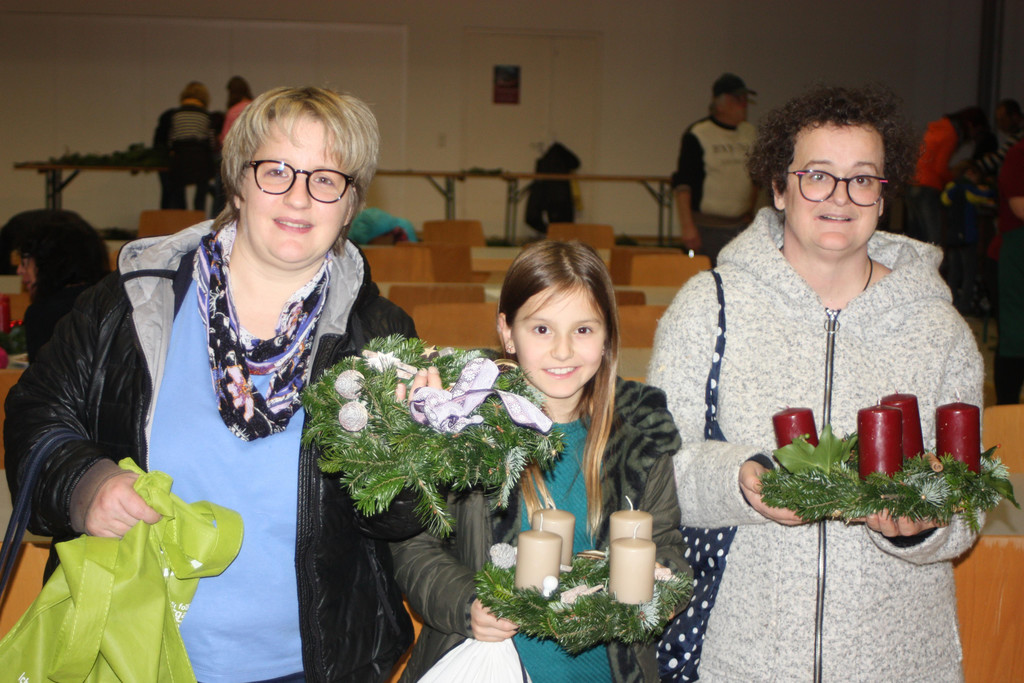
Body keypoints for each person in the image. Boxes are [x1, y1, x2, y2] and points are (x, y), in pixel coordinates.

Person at [5, 86, 420, 682]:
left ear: (350, 202)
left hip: (309, 667)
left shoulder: (379, 333)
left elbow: (398, 522)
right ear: (238, 182)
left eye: (326, 179)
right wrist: (84, 482)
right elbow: (35, 414)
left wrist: (408, 449)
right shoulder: (133, 301)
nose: (299, 196)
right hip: (131, 655)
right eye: (276, 171)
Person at [651, 85, 983, 681]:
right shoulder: (708, 307)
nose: (840, 196)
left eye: (863, 179)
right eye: (817, 176)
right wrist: (737, 480)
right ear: (780, 188)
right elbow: (657, 470)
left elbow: (967, 505)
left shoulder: (939, 329)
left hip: (898, 660)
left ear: (883, 197)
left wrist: (924, 525)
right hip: (745, 658)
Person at [391, 240, 688, 682]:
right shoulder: (464, 429)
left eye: (583, 330)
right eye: (542, 329)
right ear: (508, 331)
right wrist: (467, 604)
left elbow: (666, 544)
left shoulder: (641, 441)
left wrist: (663, 582)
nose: (563, 351)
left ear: (607, 335)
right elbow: (413, 548)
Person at [671, 73, 758, 265]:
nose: (744, 105)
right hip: (706, 228)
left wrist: (749, 212)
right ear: (720, 104)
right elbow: (683, 185)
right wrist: (687, 226)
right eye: (738, 99)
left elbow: (755, 179)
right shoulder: (699, 134)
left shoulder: (750, 133)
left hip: (740, 226)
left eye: (745, 99)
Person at [15, 210, 110, 361]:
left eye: (25, 262)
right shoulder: (112, 301)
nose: (19, 270)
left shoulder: (43, 314)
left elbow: (44, 375)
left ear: (47, 262)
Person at [905, 105, 989, 245]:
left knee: (917, 236)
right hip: (928, 187)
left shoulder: (940, 127)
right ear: (970, 125)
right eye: (976, 131)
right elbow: (940, 168)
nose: (973, 136)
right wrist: (955, 181)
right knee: (933, 238)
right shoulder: (951, 134)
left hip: (913, 183)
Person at [940, 162, 995, 314]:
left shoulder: (952, 187)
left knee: (954, 273)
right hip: (968, 237)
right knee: (969, 273)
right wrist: (989, 190)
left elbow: (944, 200)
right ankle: (964, 307)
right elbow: (983, 197)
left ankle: (951, 305)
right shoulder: (969, 189)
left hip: (953, 237)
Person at [154, 81, 216, 212]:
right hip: (200, 160)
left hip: (180, 159)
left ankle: (182, 217)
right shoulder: (206, 116)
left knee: (178, 192)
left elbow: (171, 139)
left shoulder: (176, 115)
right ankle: (199, 216)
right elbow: (211, 141)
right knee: (200, 196)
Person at [975, 99, 1023, 179]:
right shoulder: (1017, 134)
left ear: (1015, 116)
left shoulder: (1020, 135)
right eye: (998, 121)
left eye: (1002, 120)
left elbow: (1000, 158)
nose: (1000, 125)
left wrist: (972, 166)